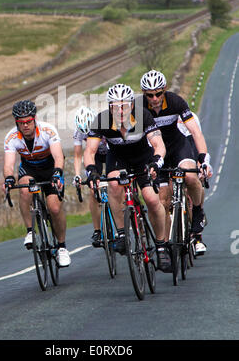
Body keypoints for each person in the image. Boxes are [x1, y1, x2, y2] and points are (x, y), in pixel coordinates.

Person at [83, 83, 172, 273]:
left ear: (132, 105)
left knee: (151, 198)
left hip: (143, 159)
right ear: (109, 107)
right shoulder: (102, 120)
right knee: (114, 185)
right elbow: (89, 151)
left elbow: (159, 144)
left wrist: (156, 162)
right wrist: (91, 170)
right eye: (115, 106)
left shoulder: (143, 116)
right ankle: (122, 234)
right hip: (118, 158)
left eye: (124, 105)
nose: (120, 110)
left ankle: (161, 246)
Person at [140, 70, 212, 250]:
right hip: (155, 153)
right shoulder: (138, 107)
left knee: (190, 176)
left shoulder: (175, 101)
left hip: (177, 146)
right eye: (150, 95)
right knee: (162, 201)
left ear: (164, 90)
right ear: (144, 94)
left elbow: (195, 132)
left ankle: (197, 212)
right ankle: (164, 246)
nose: (154, 98)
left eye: (158, 93)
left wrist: (203, 158)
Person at [3, 99, 71, 268]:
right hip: (29, 169)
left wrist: (57, 173)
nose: (25, 126)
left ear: (35, 119)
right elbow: (8, 164)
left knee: (54, 207)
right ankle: (30, 231)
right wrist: (9, 178)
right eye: (21, 123)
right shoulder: (11, 137)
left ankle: (62, 247)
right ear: (16, 123)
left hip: (51, 169)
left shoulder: (48, 130)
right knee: (25, 190)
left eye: (28, 122)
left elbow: (58, 156)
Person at [73, 106, 108, 247]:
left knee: (117, 182)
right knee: (93, 190)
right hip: (94, 157)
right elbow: (77, 155)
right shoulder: (78, 132)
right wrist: (77, 175)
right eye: (86, 135)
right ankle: (97, 230)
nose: (89, 136)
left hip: (110, 152)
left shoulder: (104, 125)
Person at [177, 112, 209, 255]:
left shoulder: (191, 117)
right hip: (172, 150)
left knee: (196, 180)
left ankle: (197, 236)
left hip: (190, 146)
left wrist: (202, 164)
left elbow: (197, 141)